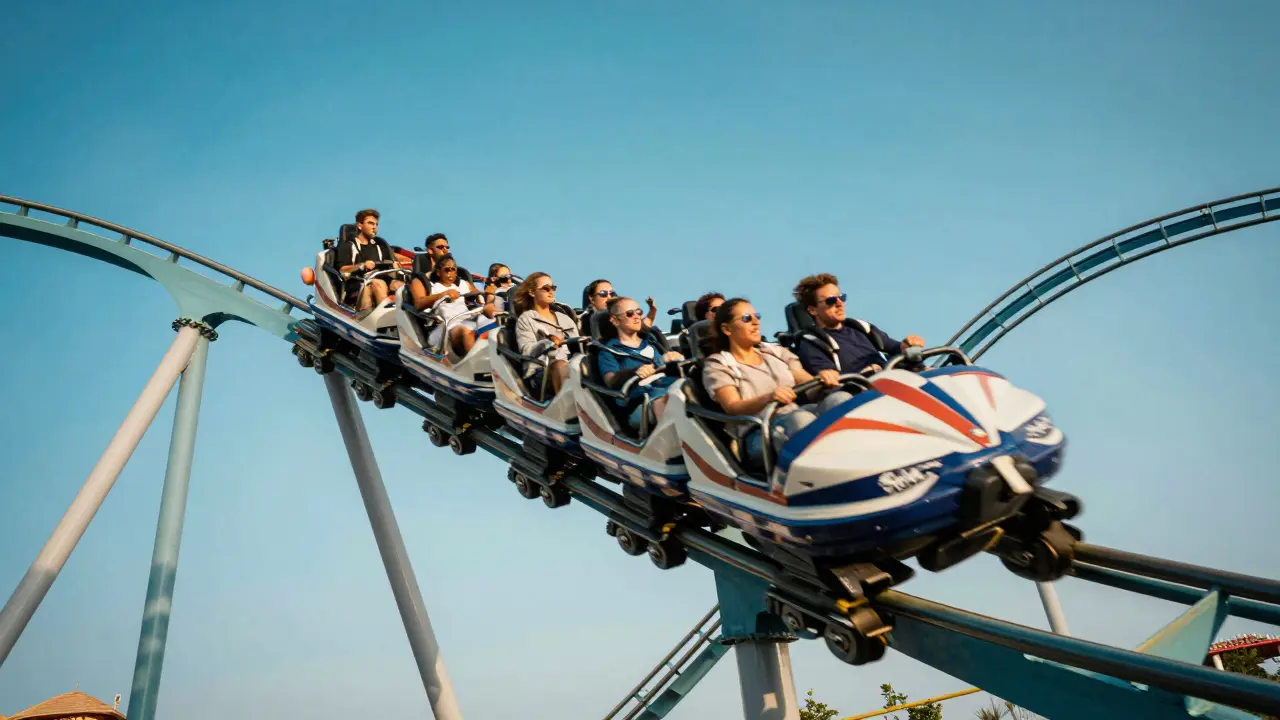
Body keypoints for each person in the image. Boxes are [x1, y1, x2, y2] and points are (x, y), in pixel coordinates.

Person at [702, 298, 857, 468]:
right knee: (801, 419)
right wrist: (769, 397)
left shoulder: (775, 352)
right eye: (746, 318)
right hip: (758, 432)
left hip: (796, 416)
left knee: (841, 399)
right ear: (726, 329)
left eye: (757, 316)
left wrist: (823, 379)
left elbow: (801, 377)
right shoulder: (719, 363)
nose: (756, 322)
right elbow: (732, 406)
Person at [791, 273, 924, 376]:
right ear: (812, 310)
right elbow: (834, 383)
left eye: (841, 297)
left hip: (894, 383)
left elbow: (896, 348)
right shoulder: (812, 344)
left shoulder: (861, 327)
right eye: (831, 300)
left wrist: (907, 345)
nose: (839, 303)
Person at [597, 296, 685, 431]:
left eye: (639, 312)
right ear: (615, 320)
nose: (636, 317)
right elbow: (610, 380)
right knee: (669, 401)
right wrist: (636, 372)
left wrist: (674, 358)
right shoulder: (608, 350)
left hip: (669, 388)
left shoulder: (651, 341)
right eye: (629, 313)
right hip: (641, 402)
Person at [513, 272, 578, 397]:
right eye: (546, 288)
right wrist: (548, 343)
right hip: (540, 372)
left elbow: (579, 346)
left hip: (570, 368)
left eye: (553, 288)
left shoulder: (565, 319)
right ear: (532, 292)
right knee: (560, 366)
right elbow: (527, 350)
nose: (551, 291)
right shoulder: (526, 319)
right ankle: (564, 409)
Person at [336, 209, 406, 310]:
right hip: (358, 282)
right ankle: (385, 317)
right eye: (370, 223)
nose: (374, 227)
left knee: (401, 286)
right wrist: (362, 265)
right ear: (359, 225)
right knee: (378, 283)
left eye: (376, 224)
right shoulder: (348, 245)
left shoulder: (380, 244)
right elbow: (342, 269)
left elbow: (391, 262)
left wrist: (395, 265)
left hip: (382, 277)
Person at [583, 279, 656, 328]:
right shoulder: (585, 319)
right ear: (592, 299)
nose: (609, 297)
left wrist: (652, 309)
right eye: (603, 293)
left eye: (611, 293)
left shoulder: (622, 316)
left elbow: (646, 324)